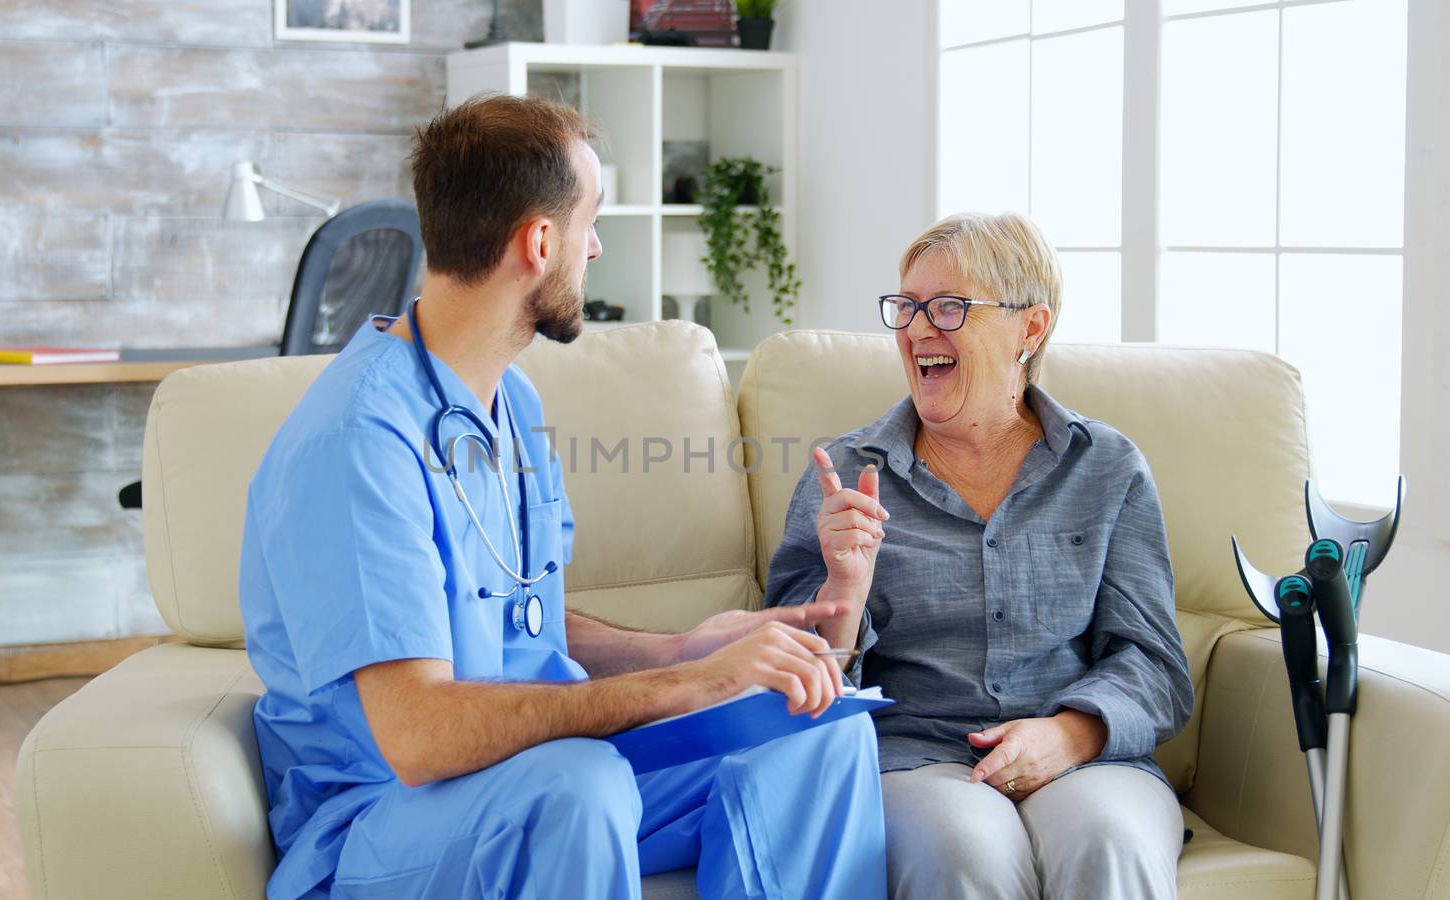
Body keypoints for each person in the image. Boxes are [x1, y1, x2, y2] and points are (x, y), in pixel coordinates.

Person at [238, 93, 887, 900]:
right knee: (576, 789)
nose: (599, 246)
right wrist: (682, 687)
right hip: (385, 816)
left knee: (814, 733)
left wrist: (684, 649)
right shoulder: (358, 441)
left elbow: (514, 615)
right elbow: (417, 736)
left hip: (543, 773)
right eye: (592, 224)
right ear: (540, 243)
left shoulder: (511, 405)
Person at [765, 211, 1194, 899]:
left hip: (1082, 759)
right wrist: (844, 591)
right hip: (914, 758)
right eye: (905, 308)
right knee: (964, 851)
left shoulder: (1106, 468)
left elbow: (1156, 664)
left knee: (1109, 842)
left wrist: (1070, 736)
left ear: (1031, 328)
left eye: (948, 307)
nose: (916, 329)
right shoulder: (846, 473)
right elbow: (783, 684)